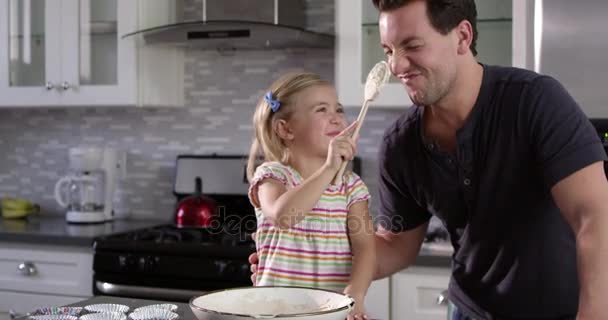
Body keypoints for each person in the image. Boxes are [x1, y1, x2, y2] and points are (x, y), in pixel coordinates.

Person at [250, 1, 608, 319]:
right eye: (388, 49)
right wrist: (295, 259)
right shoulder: (401, 144)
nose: (396, 64)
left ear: (462, 37)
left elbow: (595, 216)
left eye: (412, 46)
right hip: (469, 311)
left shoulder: (535, 102)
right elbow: (395, 247)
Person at [246, 72, 376, 319]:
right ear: (286, 129)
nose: (336, 118)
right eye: (321, 110)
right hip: (274, 311)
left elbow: (366, 249)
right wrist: (328, 169)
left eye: (338, 109)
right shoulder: (273, 176)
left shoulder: (351, 187)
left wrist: (356, 292)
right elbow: (283, 216)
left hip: (331, 312)